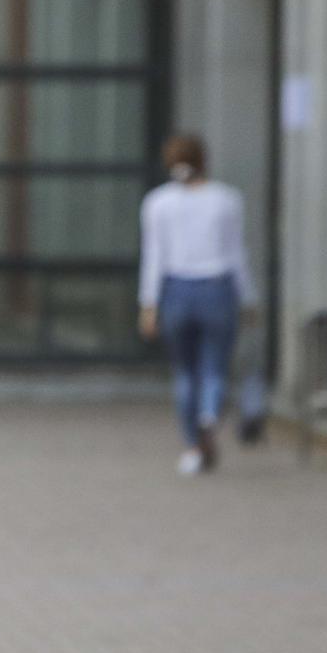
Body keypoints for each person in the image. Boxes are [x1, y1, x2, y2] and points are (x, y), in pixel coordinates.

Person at [138, 133, 257, 475]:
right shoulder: (226, 200)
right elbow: (237, 254)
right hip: (217, 288)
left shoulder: (158, 202)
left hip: (176, 289)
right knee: (215, 367)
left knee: (186, 373)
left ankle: (193, 444)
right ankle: (209, 415)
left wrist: (149, 305)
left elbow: (154, 257)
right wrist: (248, 297)